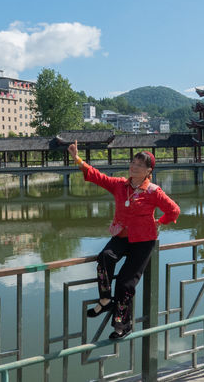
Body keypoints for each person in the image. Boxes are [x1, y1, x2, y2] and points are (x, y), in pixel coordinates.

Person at [67, 140, 180, 339]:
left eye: (139, 165)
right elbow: (98, 177)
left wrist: (160, 221)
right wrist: (77, 158)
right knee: (105, 258)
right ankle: (104, 300)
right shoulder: (120, 185)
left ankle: (122, 324)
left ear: (148, 170)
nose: (134, 167)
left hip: (144, 241)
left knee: (126, 284)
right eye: (133, 163)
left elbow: (174, 210)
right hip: (121, 235)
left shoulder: (153, 191)